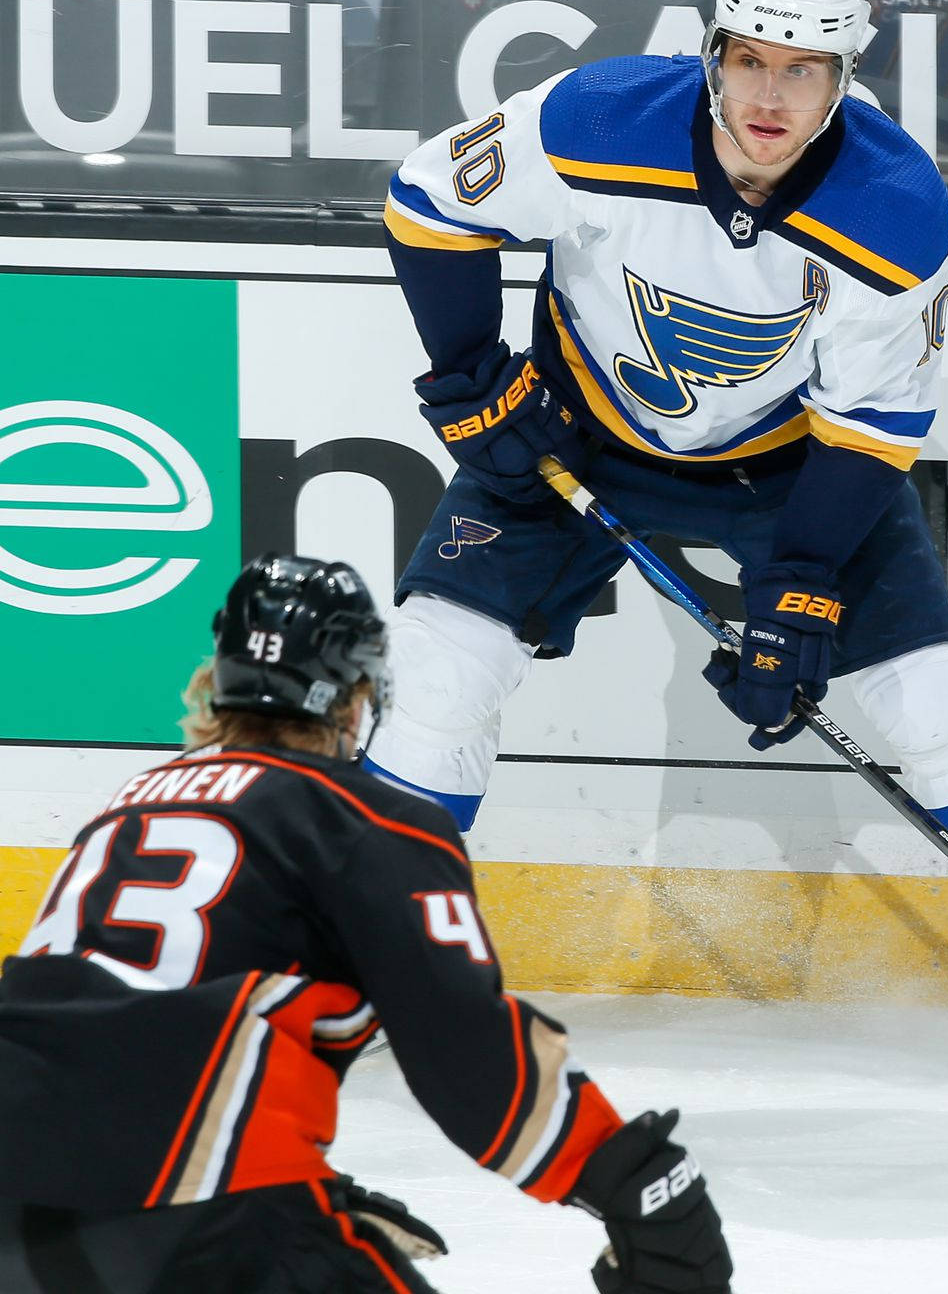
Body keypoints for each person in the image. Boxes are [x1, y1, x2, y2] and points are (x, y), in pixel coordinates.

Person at [371, 0, 948, 1077]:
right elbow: (427, 201)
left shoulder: (891, 206)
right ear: (711, 55)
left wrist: (798, 582)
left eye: (804, 68)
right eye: (751, 60)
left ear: (845, 76)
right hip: (573, 433)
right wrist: (471, 375)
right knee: (438, 673)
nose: (771, 93)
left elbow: (868, 426)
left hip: (790, 467)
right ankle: (388, 952)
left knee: (932, 705)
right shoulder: (592, 119)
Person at [0, 553, 732, 1294]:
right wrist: (617, 1169)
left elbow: (95, 1026)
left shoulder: (131, 804)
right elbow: (463, 1048)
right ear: (354, 698)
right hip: (209, 1189)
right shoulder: (369, 817)